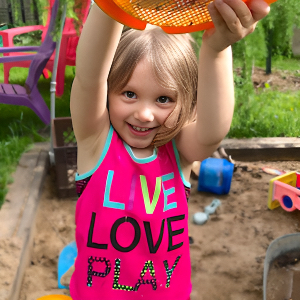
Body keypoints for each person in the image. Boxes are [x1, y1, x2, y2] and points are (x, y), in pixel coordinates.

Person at [69, 0, 270, 299]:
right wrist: (110, 5)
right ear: (108, 93)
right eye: (129, 93)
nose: (145, 114)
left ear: (188, 106)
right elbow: (89, 78)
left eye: (163, 99)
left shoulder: (179, 152)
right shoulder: (95, 141)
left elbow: (213, 131)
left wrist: (216, 50)